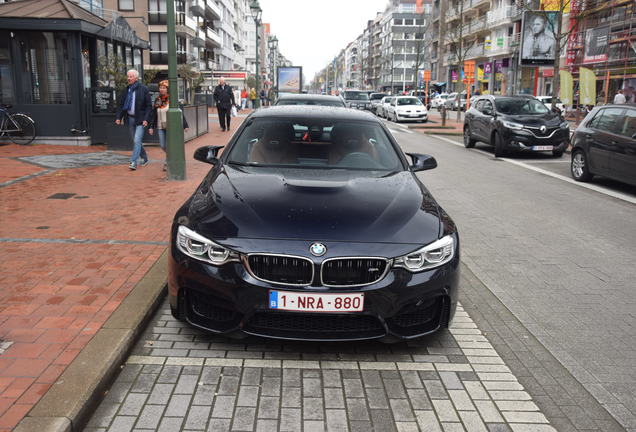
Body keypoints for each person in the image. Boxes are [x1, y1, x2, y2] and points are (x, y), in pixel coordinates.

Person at [148, 80, 189, 171]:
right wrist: (151, 126)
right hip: (160, 126)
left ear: (167, 89)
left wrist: (185, 125)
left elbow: (180, 113)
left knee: (169, 144)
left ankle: (167, 162)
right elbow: (153, 114)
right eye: (160, 88)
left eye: (163, 88)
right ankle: (172, 156)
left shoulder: (172, 99)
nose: (161, 90)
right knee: (163, 145)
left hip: (170, 126)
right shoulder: (157, 100)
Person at [115, 69, 152, 171]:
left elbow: (149, 106)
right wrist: (119, 117)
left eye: (131, 76)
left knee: (137, 140)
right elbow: (121, 105)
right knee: (136, 141)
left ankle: (133, 162)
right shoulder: (127, 90)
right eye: (128, 76)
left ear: (136, 78)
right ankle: (145, 157)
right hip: (130, 119)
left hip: (140, 120)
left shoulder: (144, 89)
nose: (129, 78)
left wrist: (146, 119)